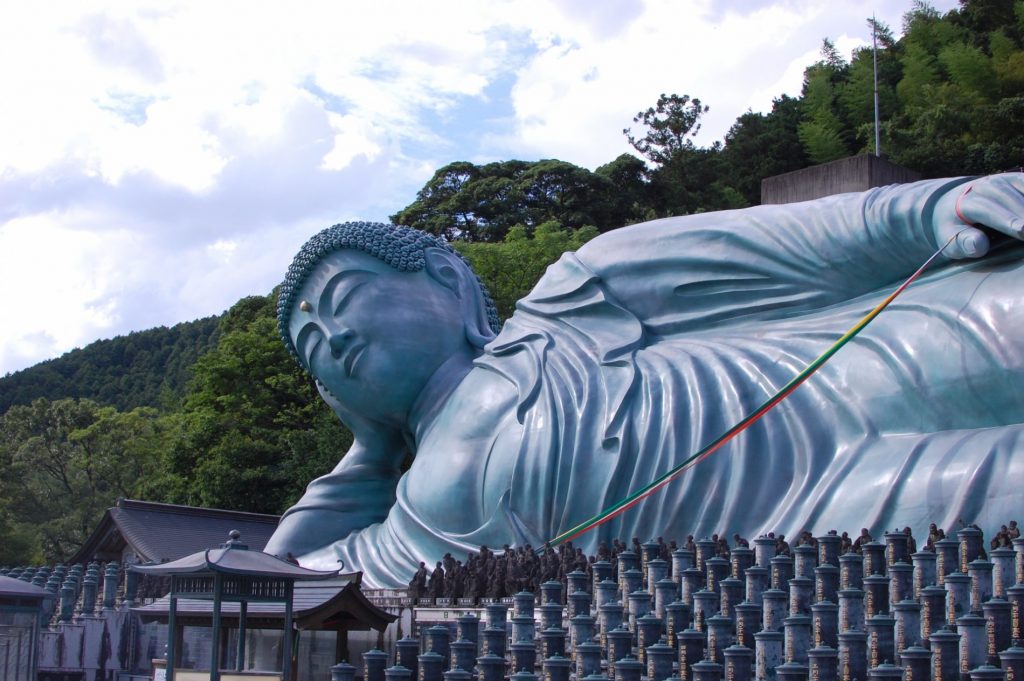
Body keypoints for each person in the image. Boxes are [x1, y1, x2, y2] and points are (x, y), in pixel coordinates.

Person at [264, 174, 1024, 588]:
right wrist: (368, 451)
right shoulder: (410, 527)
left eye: (342, 302)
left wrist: (926, 208)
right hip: (816, 517)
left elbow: (777, 248)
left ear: (446, 278)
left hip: (852, 368)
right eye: (312, 350)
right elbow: (274, 578)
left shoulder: (570, 300)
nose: (333, 340)